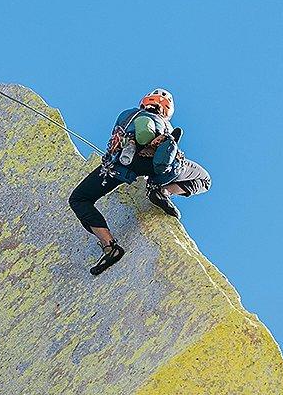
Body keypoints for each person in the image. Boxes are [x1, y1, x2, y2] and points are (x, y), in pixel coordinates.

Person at [68, 89, 211, 276]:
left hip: (118, 166)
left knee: (79, 199)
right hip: (153, 168)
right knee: (204, 179)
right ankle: (162, 191)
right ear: (167, 110)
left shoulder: (126, 115)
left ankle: (109, 247)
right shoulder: (165, 125)